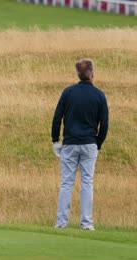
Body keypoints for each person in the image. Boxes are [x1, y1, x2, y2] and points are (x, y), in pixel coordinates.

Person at [51, 59, 109, 231]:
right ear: (92, 74)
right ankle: (86, 223)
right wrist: (98, 142)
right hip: (89, 143)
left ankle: (61, 222)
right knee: (87, 183)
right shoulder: (99, 95)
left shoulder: (68, 92)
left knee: (66, 183)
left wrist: (55, 140)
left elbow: (57, 118)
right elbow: (104, 123)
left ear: (78, 74)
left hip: (69, 144)